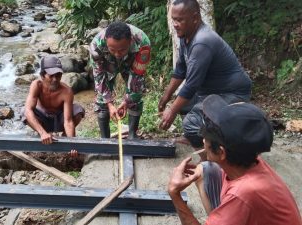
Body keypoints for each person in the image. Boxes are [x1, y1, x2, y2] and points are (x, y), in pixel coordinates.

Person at [167, 94, 302, 225]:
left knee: (207, 171)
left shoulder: (243, 194)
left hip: (241, 199)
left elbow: (243, 196)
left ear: (221, 152)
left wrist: (175, 193)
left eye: (206, 136)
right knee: (205, 170)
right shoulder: (247, 158)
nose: (203, 140)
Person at [158, 0, 252, 157]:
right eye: (173, 19)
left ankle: (212, 158)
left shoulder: (202, 42)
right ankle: (199, 138)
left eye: (180, 19)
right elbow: (181, 70)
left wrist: (171, 111)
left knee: (191, 124)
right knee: (180, 104)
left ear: (195, 17)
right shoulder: (185, 35)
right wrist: (166, 96)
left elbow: (192, 85)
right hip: (210, 92)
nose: (175, 24)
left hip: (231, 94)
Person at [90, 21, 151, 139]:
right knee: (102, 99)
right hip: (107, 62)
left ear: (130, 41)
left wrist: (126, 101)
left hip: (132, 60)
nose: (117, 54)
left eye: (122, 50)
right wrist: (109, 103)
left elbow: (137, 77)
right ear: (106, 41)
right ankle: (105, 139)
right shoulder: (96, 46)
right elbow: (99, 76)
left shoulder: (143, 43)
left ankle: (132, 135)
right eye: (112, 49)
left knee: (135, 95)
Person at [21, 56, 85, 155]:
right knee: (24, 112)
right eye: (51, 76)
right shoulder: (36, 85)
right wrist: (43, 133)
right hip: (43, 120)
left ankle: (64, 136)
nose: (55, 79)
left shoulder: (66, 91)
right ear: (42, 76)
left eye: (58, 75)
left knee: (78, 110)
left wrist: (72, 143)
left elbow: (68, 121)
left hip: (59, 120)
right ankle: (43, 133)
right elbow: (28, 110)